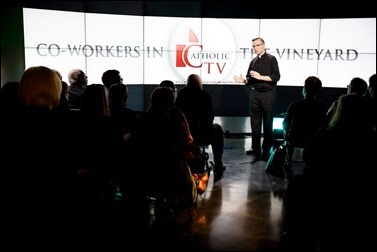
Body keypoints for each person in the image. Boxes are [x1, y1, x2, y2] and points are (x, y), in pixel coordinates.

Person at [233, 37, 281, 161]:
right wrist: (244, 80)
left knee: (268, 122)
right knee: (255, 123)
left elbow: (276, 77)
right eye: (253, 46)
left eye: (257, 45)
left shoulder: (271, 59)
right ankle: (256, 148)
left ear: (263, 45)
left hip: (268, 94)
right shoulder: (253, 61)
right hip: (255, 94)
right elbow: (250, 79)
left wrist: (261, 77)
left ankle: (266, 149)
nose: (255, 48)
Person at [175, 74, 226, 179]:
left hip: (184, 135)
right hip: (202, 133)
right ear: (199, 83)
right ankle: (218, 163)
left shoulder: (180, 94)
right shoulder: (205, 95)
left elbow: (177, 116)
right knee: (217, 128)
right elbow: (210, 117)